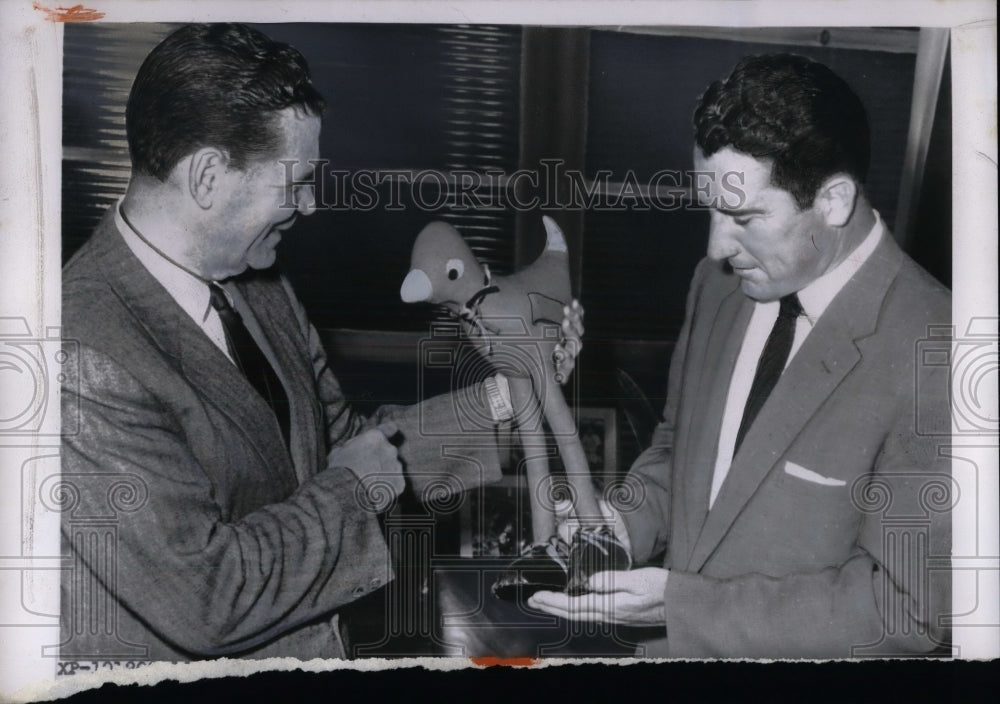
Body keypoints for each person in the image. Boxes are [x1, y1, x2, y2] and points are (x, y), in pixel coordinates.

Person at [58, 23, 580, 663]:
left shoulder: (263, 287)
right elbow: (204, 595)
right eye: (294, 182)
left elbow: (346, 447)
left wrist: (513, 390)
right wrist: (352, 493)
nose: (308, 206)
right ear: (208, 177)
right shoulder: (80, 352)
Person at [530, 53, 952, 658]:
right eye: (710, 208)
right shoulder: (719, 285)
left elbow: (906, 609)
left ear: (833, 201)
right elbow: (679, 449)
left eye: (745, 217)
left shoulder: (940, 347)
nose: (717, 246)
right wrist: (620, 525)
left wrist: (682, 607)